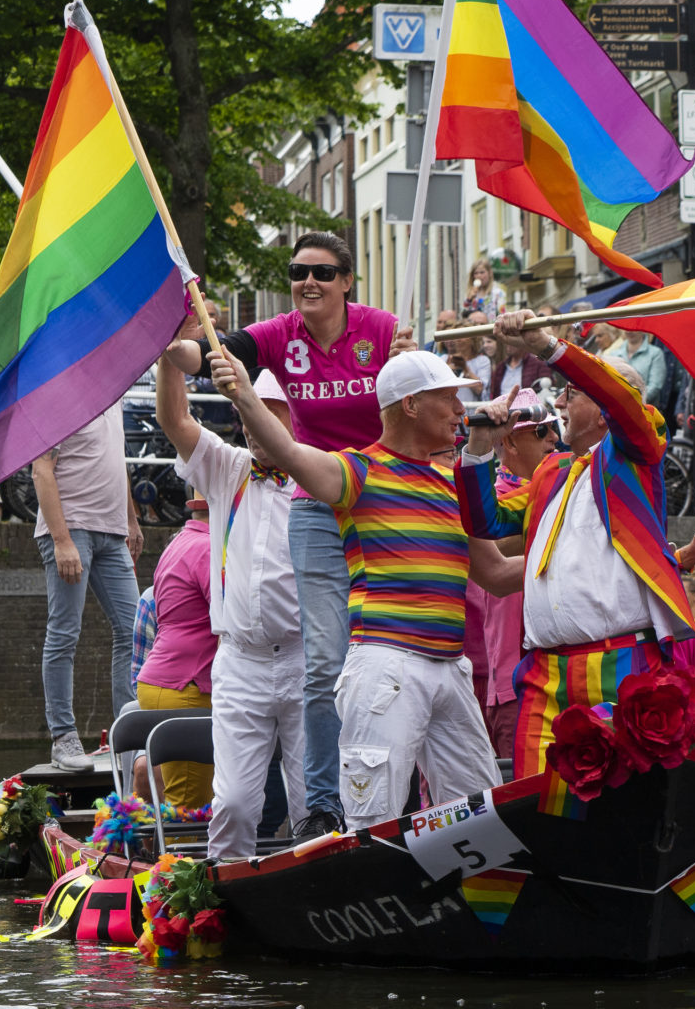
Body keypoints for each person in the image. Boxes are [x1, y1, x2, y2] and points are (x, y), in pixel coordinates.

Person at [163, 231, 414, 838]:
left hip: (375, 500)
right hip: (250, 656)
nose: (309, 281)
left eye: (323, 273)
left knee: (399, 653)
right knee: (238, 807)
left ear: (347, 281)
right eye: (299, 271)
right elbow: (193, 379)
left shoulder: (379, 327)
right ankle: (260, 868)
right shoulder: (230, 469)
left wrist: (409, 357)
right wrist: (172, 343)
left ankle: (390, 813)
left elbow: (417, 398)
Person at [212, 346, 506, 828]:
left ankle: (464, 901)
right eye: (449, 398)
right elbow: (288, 453)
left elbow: (495, 572)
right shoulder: (358, 469)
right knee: (374, 823)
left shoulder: (450, 482)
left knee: (480, 819)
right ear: (410, 405)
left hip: (450, 666)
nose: (461, 410)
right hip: (387, 666)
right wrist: (245, 396)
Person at [457, 313, 695, 778]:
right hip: (544, 674)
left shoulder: (637, 451)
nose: (561, 401)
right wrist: (478, 446)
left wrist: (548, 346)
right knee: (538, 811)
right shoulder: (550, 471)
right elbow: (485, 522)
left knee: (619, 811)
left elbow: (622, 401)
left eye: (572, 392)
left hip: (622, 663)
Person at [157, 360, 306, 859]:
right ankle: (222, 905)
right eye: (247, 409)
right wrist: (169, 362)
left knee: (312, 805)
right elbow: (175, 421)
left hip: (308, 662)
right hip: (241, 661)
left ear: (294, 420)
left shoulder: (319, 477)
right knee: (237, 804)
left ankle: (315, 892)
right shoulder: (228, 469)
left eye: (266, 411)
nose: (251, 421)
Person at [34, 405, 143, 772]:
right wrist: (61, 540)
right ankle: (63, 737)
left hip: (112, 532)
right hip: (72, 528)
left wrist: (131, 520)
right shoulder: (58, 400)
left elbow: (117, 462)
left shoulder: (112, 398)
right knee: (64, 632)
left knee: (135, 632)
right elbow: (41, 470)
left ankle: (129, 738)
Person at [466, 387, 563, 749]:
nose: (554, 438)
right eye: (540, 431)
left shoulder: (554, 489)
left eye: (554, 429)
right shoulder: (491, 502)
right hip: (508, 683)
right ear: (508, 442)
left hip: (545, 679)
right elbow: (492, 546)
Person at [135, 494, 217, 808]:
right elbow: (231, 622)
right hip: (187, 687)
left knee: (177, 800)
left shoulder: (179, 542)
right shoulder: (209, 550)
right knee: (190, 807)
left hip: (159, 683)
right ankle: (181, 858)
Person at [604, 330, 670, 412]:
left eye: (633, 328)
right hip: (618, 409)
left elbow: (655, 385)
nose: (629, 331)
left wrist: (635, 401)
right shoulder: (613, 354)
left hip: (646, 411)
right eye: (626, 328)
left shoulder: (655, 353)